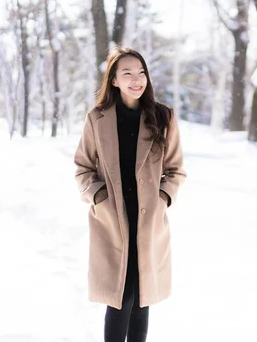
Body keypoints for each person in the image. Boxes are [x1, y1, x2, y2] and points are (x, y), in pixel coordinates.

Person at [74, 47, 186, 342]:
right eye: (128, 74)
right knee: (119, 296)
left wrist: (162, 198)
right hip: (112, 220)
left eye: (141, 73)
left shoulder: (163, 117)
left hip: (148, 221)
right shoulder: (97, 118)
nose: (137, 80)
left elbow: (175, 170)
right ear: (113, 81)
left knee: (141, 297)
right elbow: (83, 168)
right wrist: (100, 199)